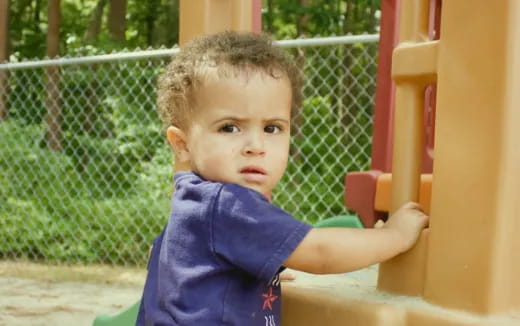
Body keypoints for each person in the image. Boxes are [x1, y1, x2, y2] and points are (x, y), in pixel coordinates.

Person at [136, 31, 429, 326]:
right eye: (229, 128)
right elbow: (321, 252)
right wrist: (394, 236)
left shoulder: (192, 202)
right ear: (181, 143)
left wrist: (262, 266)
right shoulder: (225, 203)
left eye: (272, 128)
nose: (255, 146)